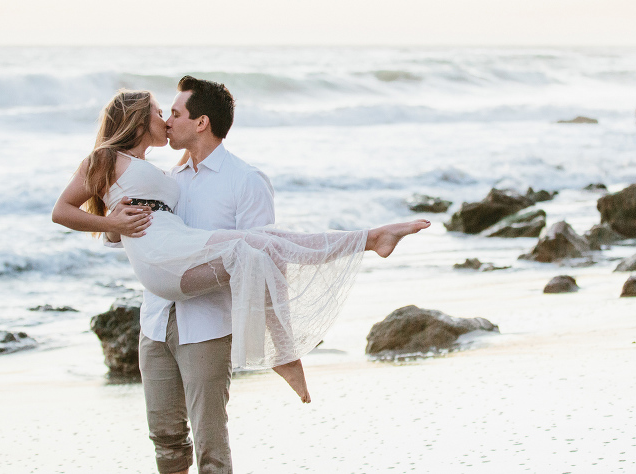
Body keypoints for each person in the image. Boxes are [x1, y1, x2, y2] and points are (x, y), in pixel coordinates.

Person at [53, 78, 429, 474]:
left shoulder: (244, 180)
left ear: (200, 123)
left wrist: (278, 335)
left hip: (206, 325)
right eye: (162, 113)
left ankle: (349, 264)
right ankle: (366, 243)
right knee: (165, 437)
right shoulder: (167, 180)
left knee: (211, 442)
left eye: (174, 113)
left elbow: (270, 263)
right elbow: (121, 229)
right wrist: (111, 222)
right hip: (157, 317)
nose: (166, 120)